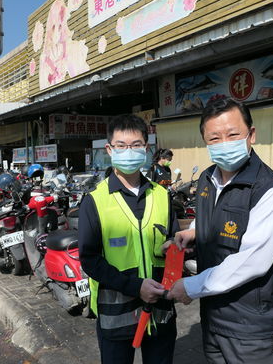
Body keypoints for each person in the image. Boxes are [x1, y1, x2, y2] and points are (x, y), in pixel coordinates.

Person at [167, 97, 273, 364]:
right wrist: (193, 232)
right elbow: (213, 217)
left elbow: (253, 261)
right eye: (214, 138)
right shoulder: (206, 179)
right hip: (214, 318)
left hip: (256, 328)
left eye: (232, 134)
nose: (224, 144)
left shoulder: (269, 190)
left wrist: (190, 286)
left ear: (251, 135)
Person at [78, 114, 180, 364]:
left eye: (136, 145)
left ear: (146, 148)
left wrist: (177, 256)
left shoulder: (162, 196)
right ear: (109, 150)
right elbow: (90, 260)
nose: (129, 151)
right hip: (116, 315)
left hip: (160, 312)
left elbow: (175, 246)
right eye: (121, 146)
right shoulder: (95, 200)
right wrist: (136, 287)